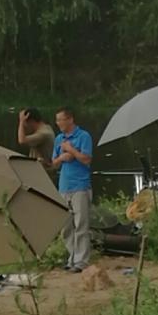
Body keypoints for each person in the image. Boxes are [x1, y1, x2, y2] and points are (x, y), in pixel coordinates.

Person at [52, 107, 93, 273]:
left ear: (70, 119)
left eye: (60, 120)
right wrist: (62, 157)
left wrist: (72, 151)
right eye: (57, 120)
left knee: (81, 224)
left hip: (80, 186)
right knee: (66, 226)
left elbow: (87, 159)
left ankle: (81, 261)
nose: (58, 123)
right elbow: (53, 163)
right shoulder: (59, 139)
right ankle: (72, 257)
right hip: (64, 186)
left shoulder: (84, 136)